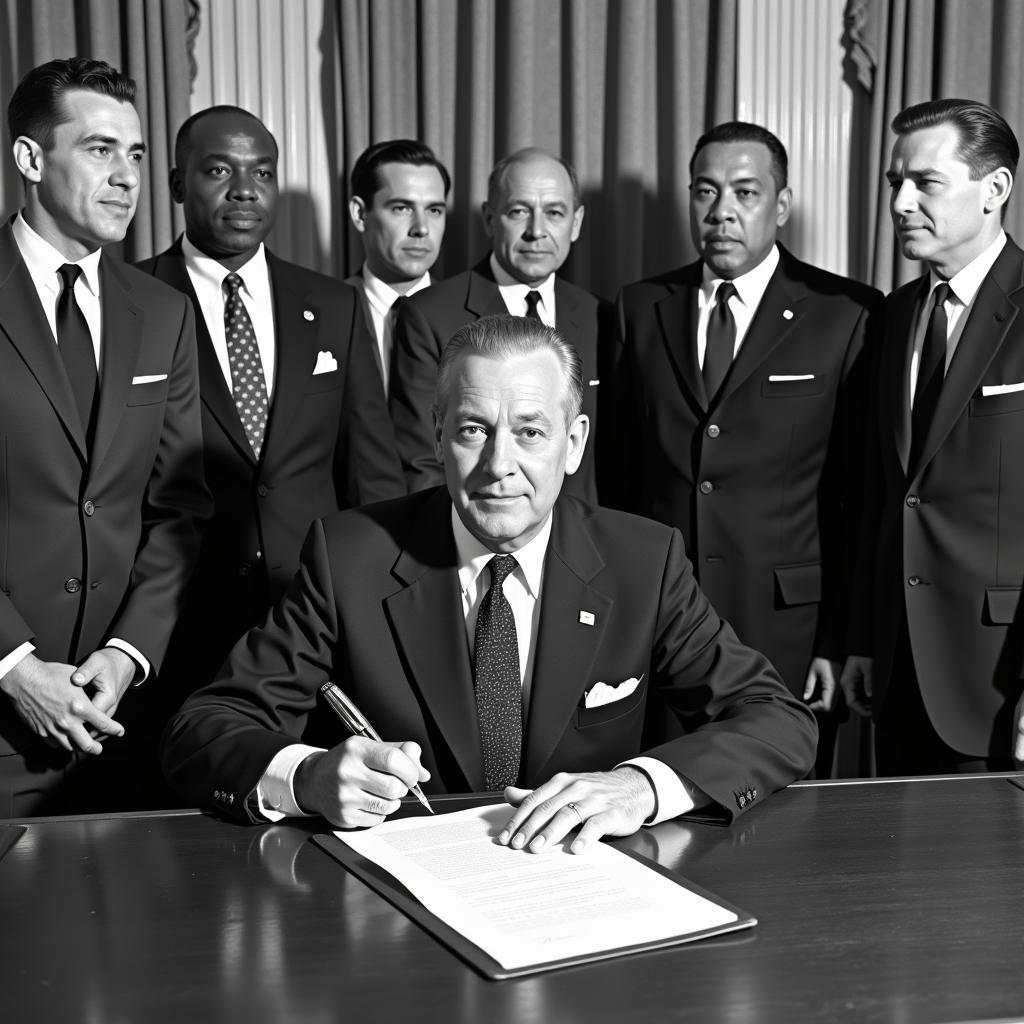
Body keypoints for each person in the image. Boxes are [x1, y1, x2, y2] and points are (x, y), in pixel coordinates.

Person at [163, 314, 816, 851]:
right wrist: (305, 777)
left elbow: (777, 718)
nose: (500, 465)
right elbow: (203, 729)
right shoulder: (349, 556)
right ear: (439, 435)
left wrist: (643, 787)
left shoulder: (644, 560)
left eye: (531, 432)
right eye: (475, 430)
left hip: (589, 904)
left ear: (575, 441)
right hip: (408, 910)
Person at [602, 122, 882, 777]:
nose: (722, 210)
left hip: (789, 628)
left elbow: (859, 499)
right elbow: (617, 480)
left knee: (785, 823)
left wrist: (841, 641)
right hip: (664, 619)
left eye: (745, 192)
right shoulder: (640, 307)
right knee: (662, 806)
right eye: (706, 190)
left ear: (780, 206)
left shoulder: (845, 313)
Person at [137, 106, 405, 711]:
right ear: (178, 184)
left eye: (262, 173)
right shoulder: (134, 301)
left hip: (313, 619)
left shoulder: (334, 304)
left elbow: (372, 472)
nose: (244, 191)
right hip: (176, 623)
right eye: (218, 171)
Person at [0, 57, 211, 814]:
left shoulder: (162, 313)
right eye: (99, 149)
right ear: (30, 158)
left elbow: (178, 511)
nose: (126, 176)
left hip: (121, 718)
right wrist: (15, 666)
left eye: (137, 155)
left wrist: (127, 655)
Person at [841, 98, 1024, 774]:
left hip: (1000, 678)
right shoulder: (893, 316)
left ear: (994, 190)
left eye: (926, 183)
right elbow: (881, 497)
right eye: (895, 183)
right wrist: (863, 636)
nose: (900, 202)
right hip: (897, 671)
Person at [389, 147, 610, 503]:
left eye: (554, 213)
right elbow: (423, 460)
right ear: (490, 219)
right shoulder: (428, 315)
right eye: (519, 211)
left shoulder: (601, 315)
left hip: (580, 540)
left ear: (577, 223)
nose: (536, 231)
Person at [344, 139, 450, 395]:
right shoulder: (324, 315)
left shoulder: (471, 318)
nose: (422, 228)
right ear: (360, 214)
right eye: (402, 208)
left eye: (434, 210)